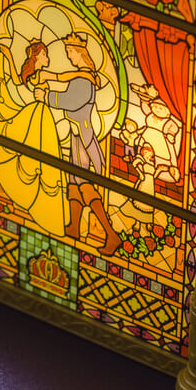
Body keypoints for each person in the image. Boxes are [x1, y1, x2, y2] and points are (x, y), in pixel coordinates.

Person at [39, 33, 121, 256]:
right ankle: (74, 227)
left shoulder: (84, 80)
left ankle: (111, 235)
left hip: (83, 141)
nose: (69, 57)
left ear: (80, 52)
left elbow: (72, 101)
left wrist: (47, 96)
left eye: (70, 52)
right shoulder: (81, 77)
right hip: (75, 138)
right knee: (74, 183)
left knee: (84, 184)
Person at [0, 40, 66, 237]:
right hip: (31, 120)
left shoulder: (42, 76)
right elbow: (16, 81)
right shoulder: (34, 76)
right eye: (44, 54)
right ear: (36, 57)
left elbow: (62, 77)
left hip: (41, 121)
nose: (48, 58)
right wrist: (8, 56)